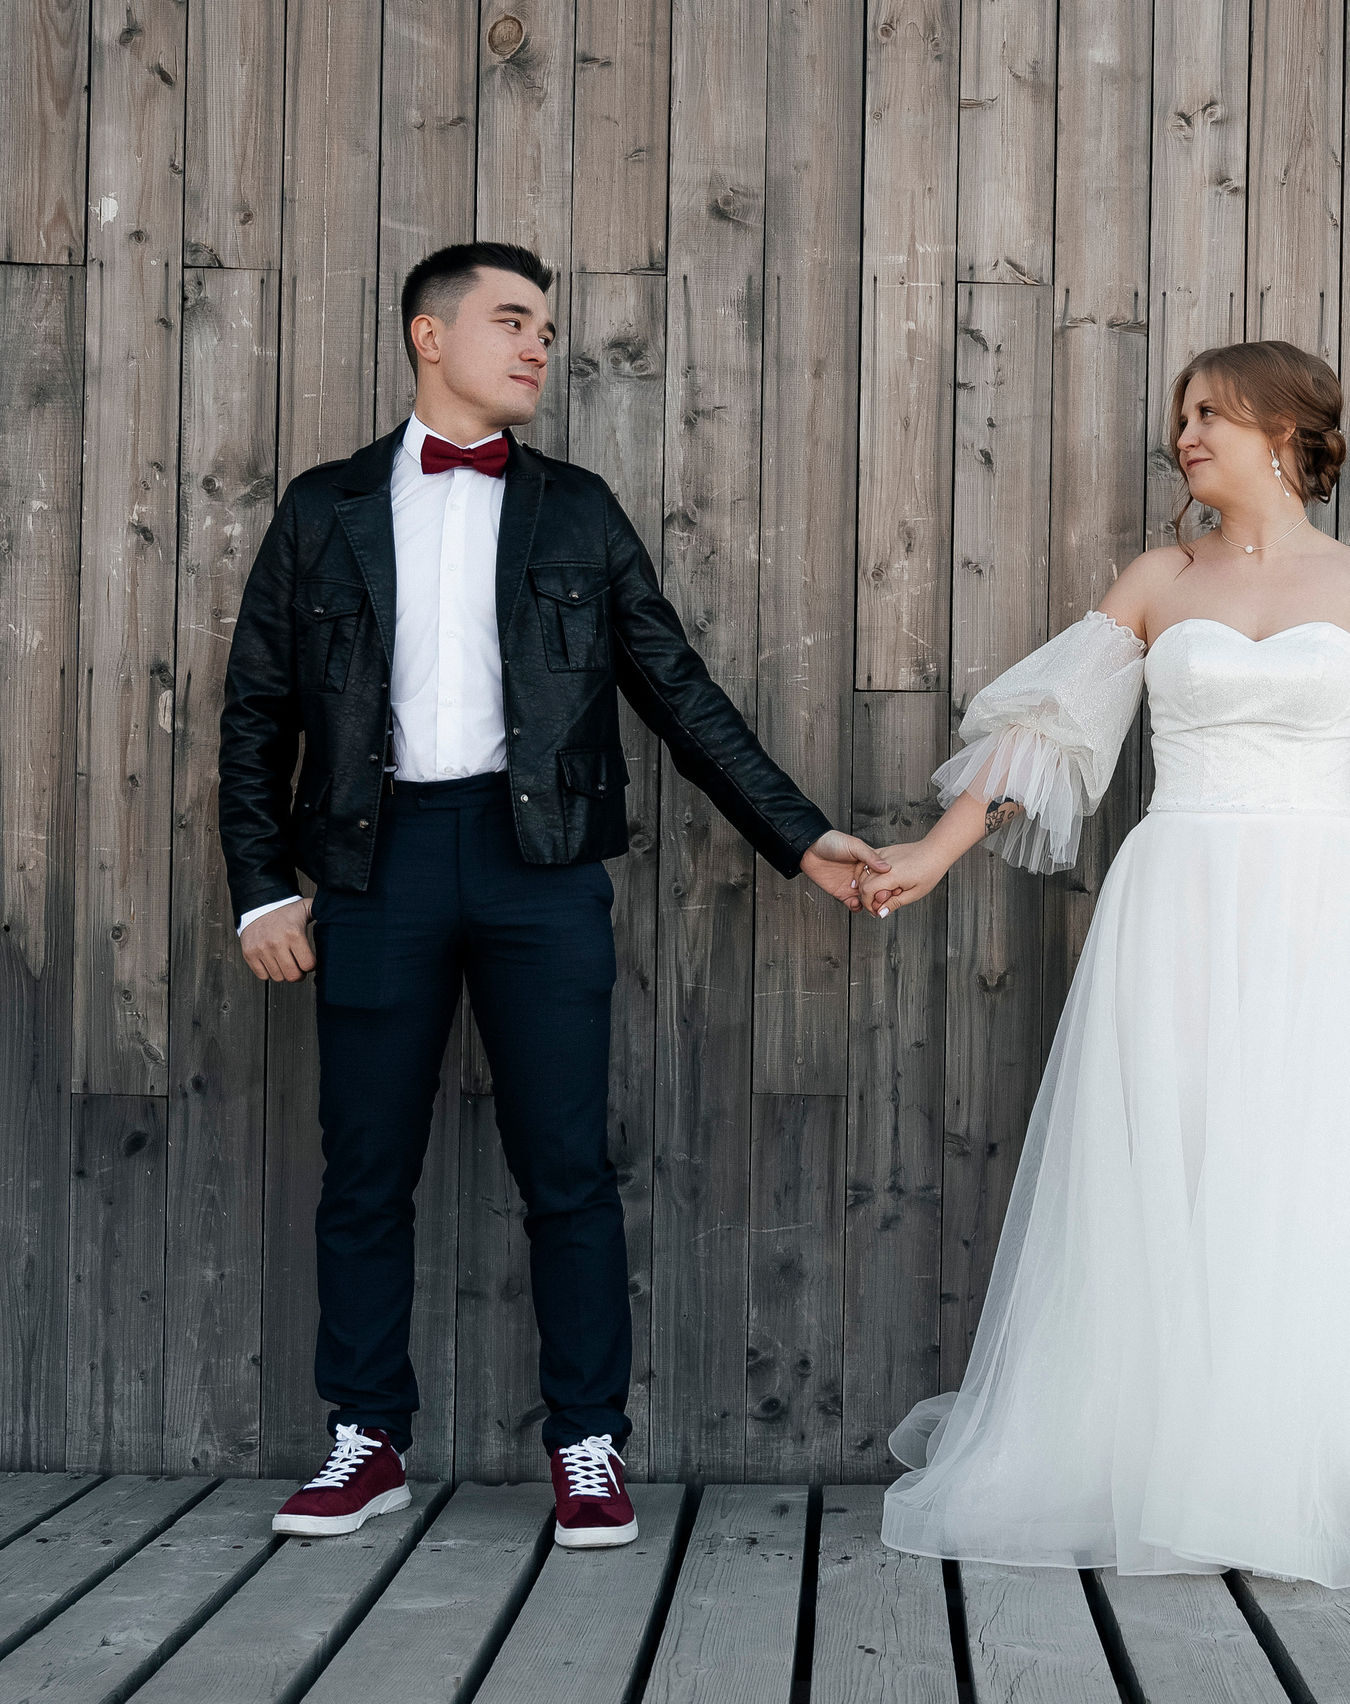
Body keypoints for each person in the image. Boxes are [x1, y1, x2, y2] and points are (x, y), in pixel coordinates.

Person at [853, 340, 1350, 1588]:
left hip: (1324, 906)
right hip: (1176, 900)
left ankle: (1301, 1450)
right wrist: (932, 851)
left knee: (1310, 1163)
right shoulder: (1158, 580)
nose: (1184, 436)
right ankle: (1165, 1450)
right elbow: (1047, 736)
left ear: (1283, 433)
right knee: (1176, 1152)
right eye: (1181, 418)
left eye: (1209, 415)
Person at [216, 241, 891, 1547]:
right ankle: (367, 1438)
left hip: (541, 866)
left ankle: (588, 1443)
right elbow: (257, 711)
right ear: (429, 335)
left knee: (568, 1169)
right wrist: (261, 888)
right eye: (510, 320)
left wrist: (801, 837)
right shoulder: (323, 508)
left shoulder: (576, 510)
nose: (538, 344)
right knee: (365, 1168)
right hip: (373, 863)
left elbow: (677, 691)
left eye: (544, 326)